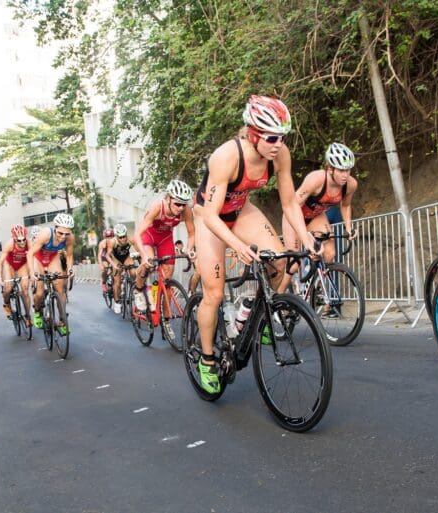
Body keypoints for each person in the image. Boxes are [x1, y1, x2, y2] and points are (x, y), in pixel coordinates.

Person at [192, 94, 320, 394]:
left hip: (240, 210)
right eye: (272, 137)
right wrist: (237, 245)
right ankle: (207, 360)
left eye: (283, 137)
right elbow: (210, 214)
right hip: (210, 218)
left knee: (279, 260)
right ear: (252, 133)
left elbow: (289, 204)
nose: (278, 144)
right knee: (214, 291)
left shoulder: (280, 155)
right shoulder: (226, 156)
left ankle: (255, 310)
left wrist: (306, 240)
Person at [278, 142, 358, 293]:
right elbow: (292, 205)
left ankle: (314, 288)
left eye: (348, 170)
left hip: (315, 216)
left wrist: (349, 228)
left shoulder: (350, 185)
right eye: (341, 170)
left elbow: (346, 206)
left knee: (329, 253)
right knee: (294, 263)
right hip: (294, 216)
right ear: (330, 168)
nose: (345, 175)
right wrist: (305, 236)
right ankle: (279, 296)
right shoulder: (316, 180)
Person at [133, 179, 196, 312]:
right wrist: (144, 256)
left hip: (165, 238)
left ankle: (165, 318)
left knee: (167, 278)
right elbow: (137, 233)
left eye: (184, 204)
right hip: (148, 236)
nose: (181, 208)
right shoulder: (158, 206)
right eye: (177, 204)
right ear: (168, 198)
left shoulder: (186, 211)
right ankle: (138, 291)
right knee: (147, 263)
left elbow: (191, 233)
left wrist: (189, 249)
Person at [27, 214, 76, 333]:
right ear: (55, 228)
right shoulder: (45, 234)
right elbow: (30, 254)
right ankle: (38, 312)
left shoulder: (70, 238)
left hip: (52, 258)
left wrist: (70, 269)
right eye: (60, 233)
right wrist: (32, 273)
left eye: (67, 233)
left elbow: (69, 255)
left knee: (60, 290)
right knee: (39, 293)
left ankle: (62, 321)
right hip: (38, 258)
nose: (63, 236)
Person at [0, 224, 32, 325]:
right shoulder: (9, 245)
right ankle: (6, 304)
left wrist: (33, 273)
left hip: (22, 264)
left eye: (23, 239)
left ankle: (28, 316)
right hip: (10, 264)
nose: (22, 242)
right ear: (14, 239)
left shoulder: (29, 243)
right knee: (8, 287)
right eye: (18, 240)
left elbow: (34, 259)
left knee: (25, 290)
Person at [105, 223, 138, 314]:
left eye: (124, 236)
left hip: (126, 258)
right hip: (116, 260)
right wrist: (113, 264)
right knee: (117, 283)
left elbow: (139, 249)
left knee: (134, 272)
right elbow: (107, 255)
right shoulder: (112, 242)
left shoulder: (130, 239)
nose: (123, 239)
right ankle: (117, 302)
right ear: (116, 236)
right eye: (120, 237)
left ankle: (134, 289)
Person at [97, 227, 114, 293]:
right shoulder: (102, 243)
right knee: (105, 268)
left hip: (113, 257)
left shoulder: (115, 241)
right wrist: (101, 265)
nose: (109, 238)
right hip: (104, 257)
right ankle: (104, 282)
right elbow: (99, 255)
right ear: (105, 237)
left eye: (111, 236)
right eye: (107, 237)